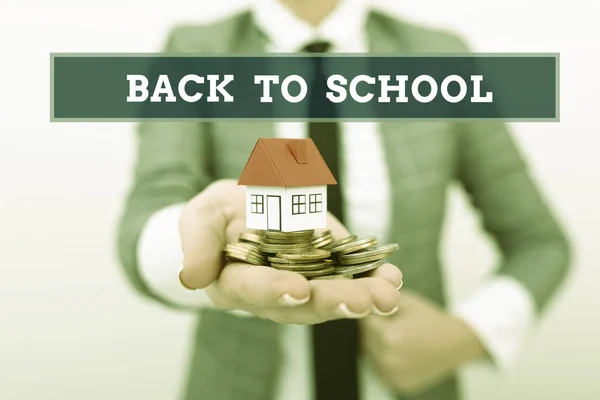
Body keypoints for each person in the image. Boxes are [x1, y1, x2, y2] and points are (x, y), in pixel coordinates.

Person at [117, 0, 571, 399]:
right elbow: (149, 209)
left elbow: (540, 241)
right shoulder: (195, 52)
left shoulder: (441, 57)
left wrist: (467, 334)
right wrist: (192, 246)